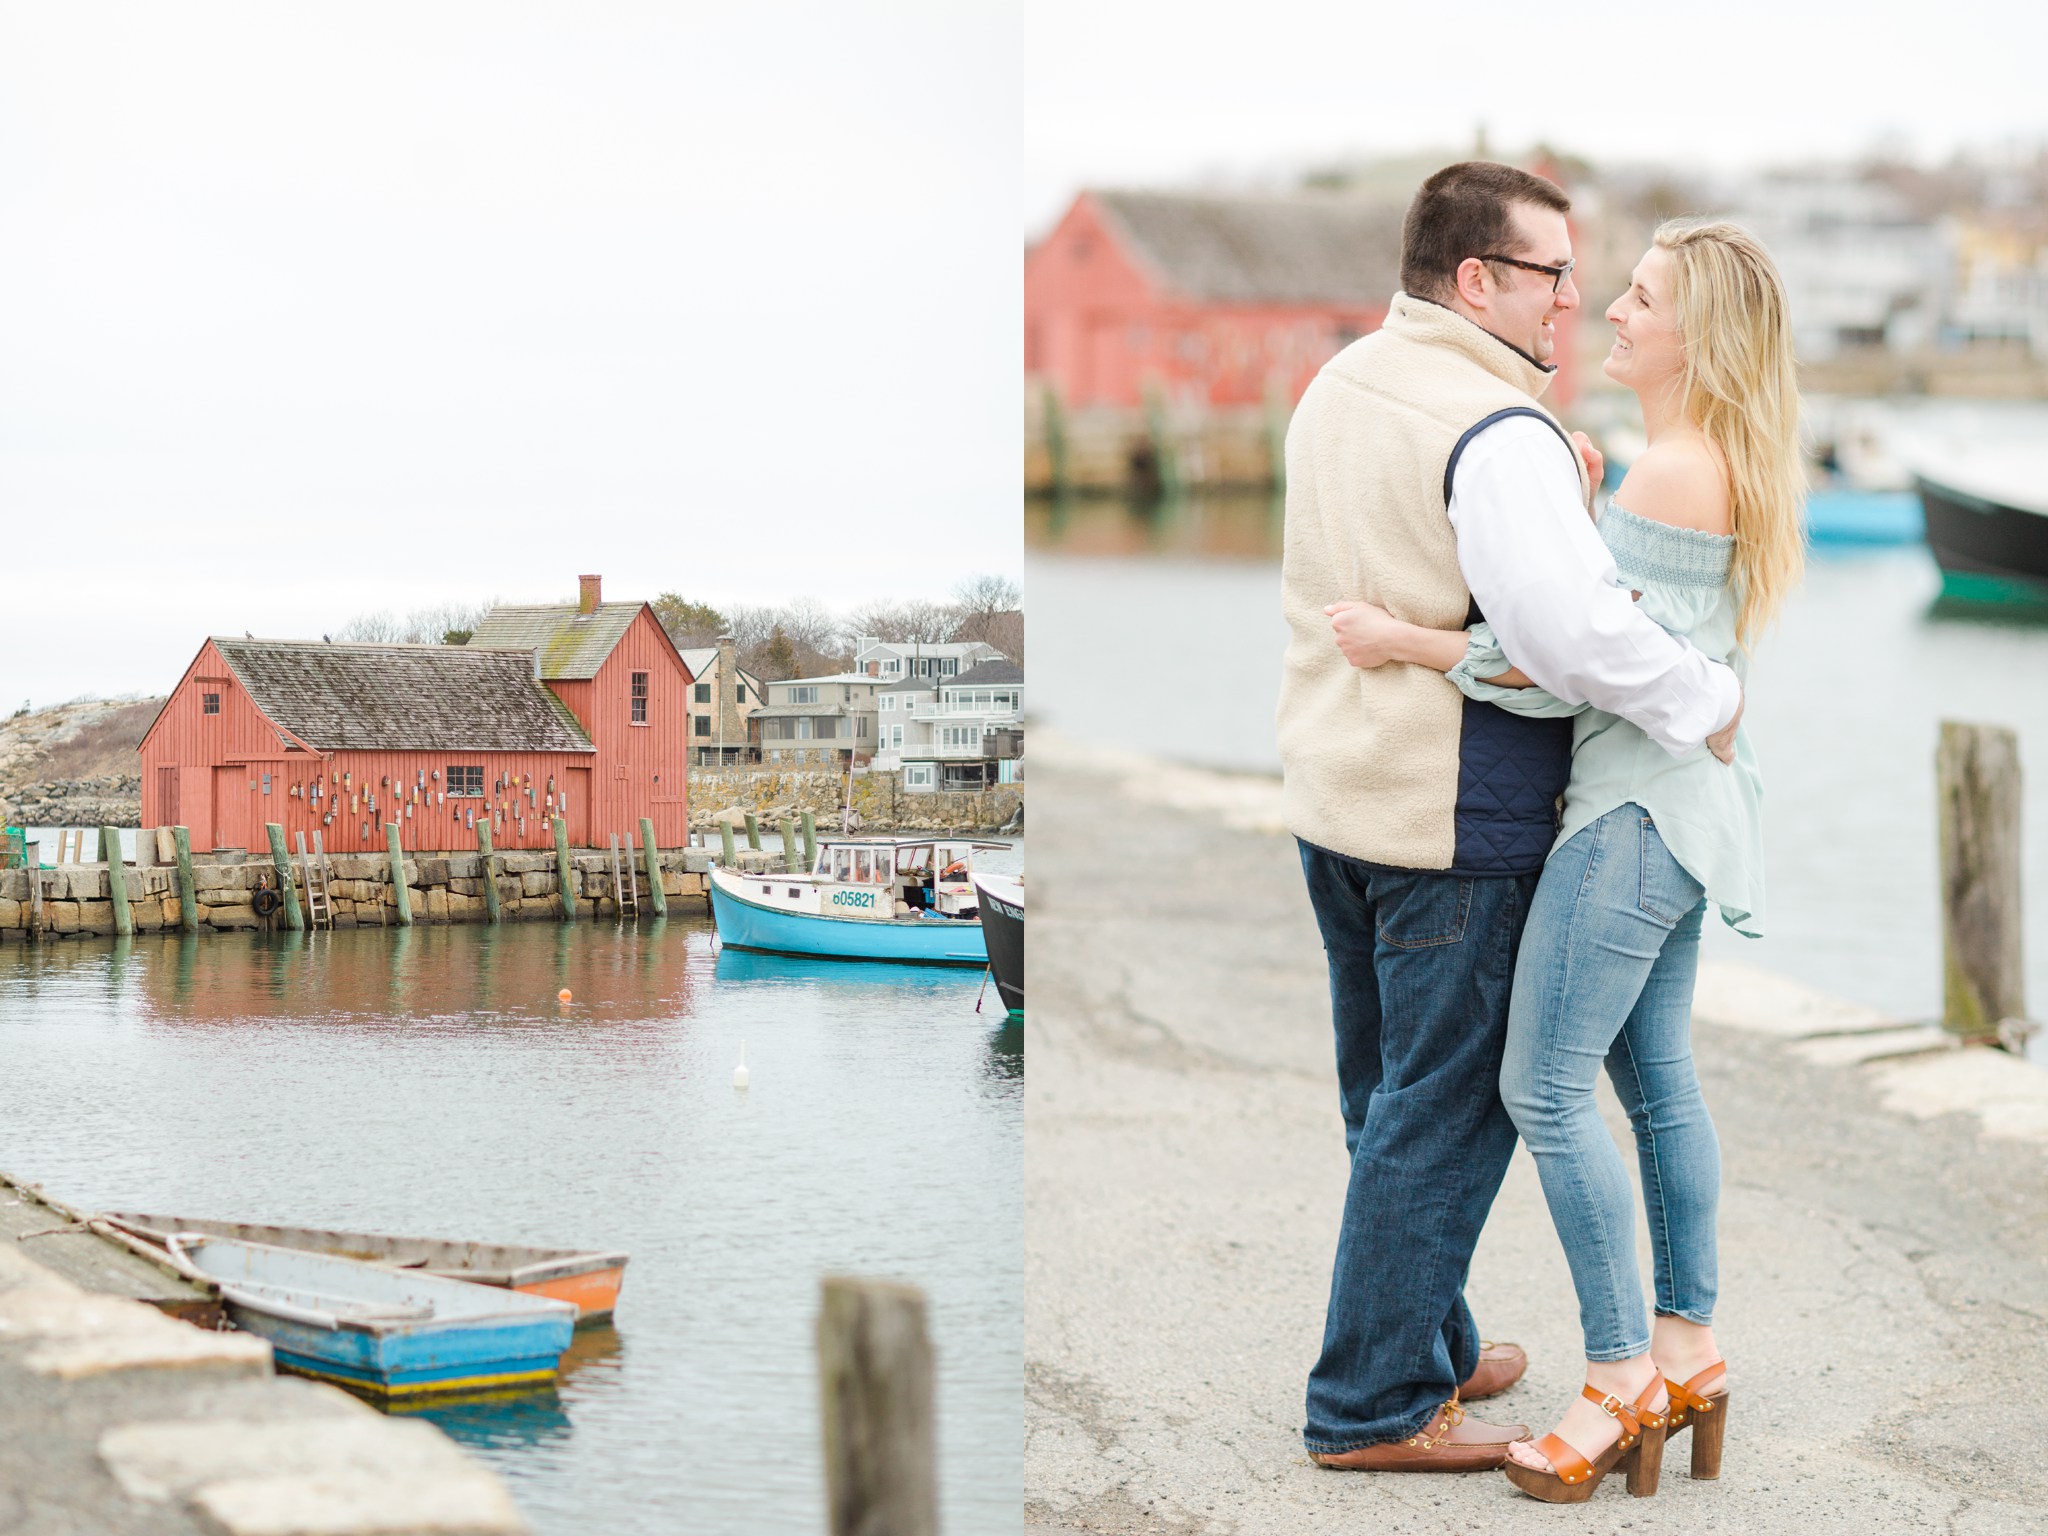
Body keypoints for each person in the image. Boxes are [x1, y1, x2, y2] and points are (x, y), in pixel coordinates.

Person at [1276, 162, 1745, 1474]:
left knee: (1387, 1100)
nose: (1571, 299)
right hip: (1452, 824)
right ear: (1477, 278)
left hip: (1337, 804)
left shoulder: (1341, 383)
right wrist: (1708, 693)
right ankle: (1371, 1403)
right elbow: (1573, 635)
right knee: (1441, 1115)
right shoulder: (1495, 429)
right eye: (1551, 273)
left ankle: (1415, 1332)